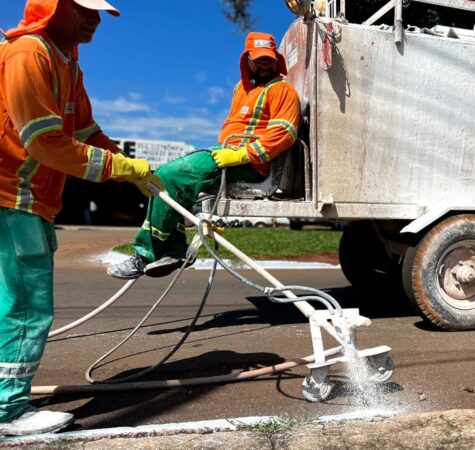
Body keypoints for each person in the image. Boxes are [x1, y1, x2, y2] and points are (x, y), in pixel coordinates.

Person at [0, 0, 159, 436]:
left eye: (98, 13)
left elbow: (86, 132)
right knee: (27, 308)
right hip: (12, 196)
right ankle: (7, 413)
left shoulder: (66, 62)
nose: (94, 20)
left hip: (25, 200)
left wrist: (134, 167)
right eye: (83, 9)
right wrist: (121, 170)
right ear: (52, 7)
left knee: (11, 305)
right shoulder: (29, 54)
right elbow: (45, 143)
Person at [108, 32, 301, 279]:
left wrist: (242, 155)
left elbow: (284, 134)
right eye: (259, 59)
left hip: (249, 164)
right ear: (247, 61)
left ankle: (146, 255)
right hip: (227, 154)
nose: (265, 65)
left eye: (269, 59)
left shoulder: (282, 90)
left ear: (277, 60)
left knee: (168, 176)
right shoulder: (241, 89)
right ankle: (173, 249)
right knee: (167, 179)